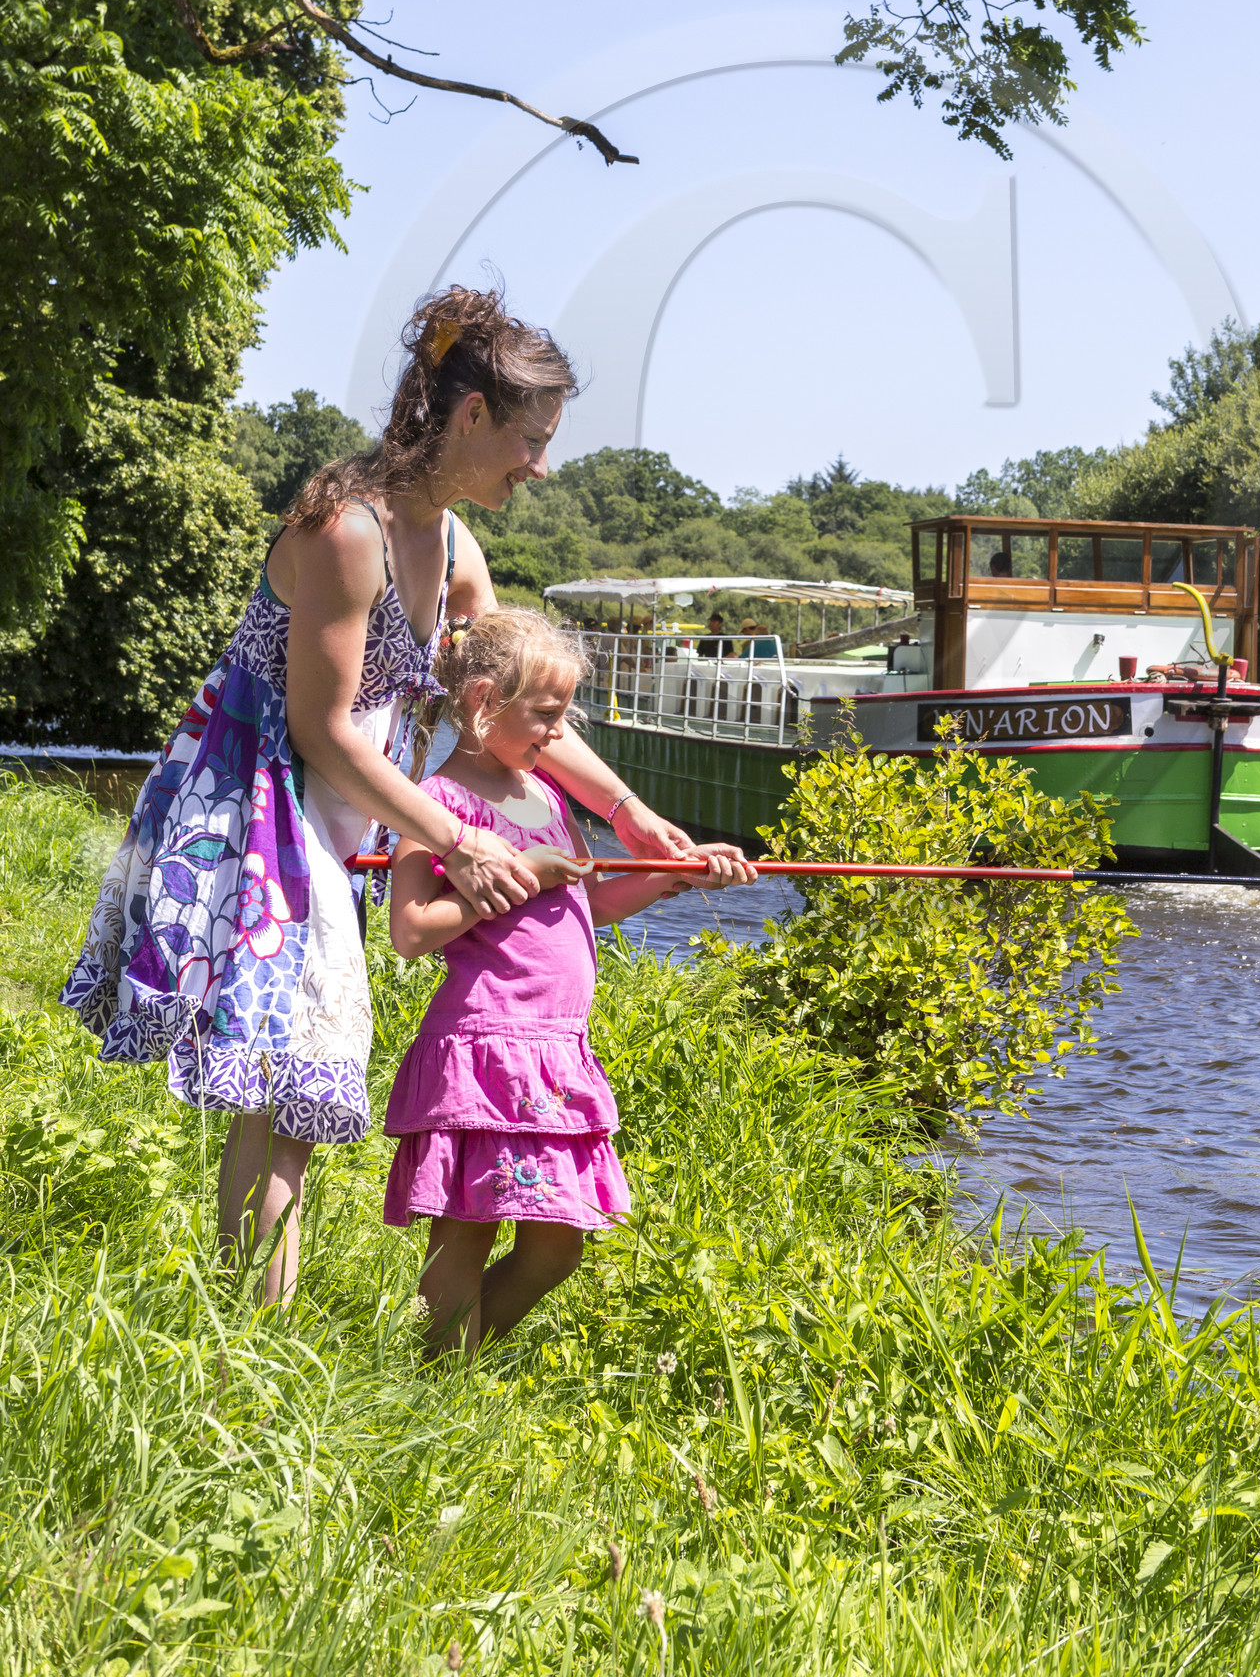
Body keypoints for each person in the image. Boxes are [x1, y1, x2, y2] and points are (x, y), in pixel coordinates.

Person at [59, 284, 743, 1302]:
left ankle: (250, 1343)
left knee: (295, 1092)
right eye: (533, 439)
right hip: (261, 806)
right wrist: (456, 842)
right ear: (473, 415)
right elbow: (318, 728)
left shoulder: (459, 549)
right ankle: (248, 1351)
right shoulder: (346, 531)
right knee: (292, 1085)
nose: (540, 466)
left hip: (344, 807)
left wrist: (628, 813)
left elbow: (515, 707)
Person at [384, 608, 747, 1356]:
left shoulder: (545, 795)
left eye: (563, 717)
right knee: (467, 1233)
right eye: (546, 716)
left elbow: (592, 900)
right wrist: (527, 880)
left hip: (554, 1050)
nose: (558, 735)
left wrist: (675, 877)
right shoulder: (439, 805)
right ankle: (440, 1385)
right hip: (483, 1044)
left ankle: (443, 1361)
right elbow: (411, 931)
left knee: (557, 1247)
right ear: (484, 703)